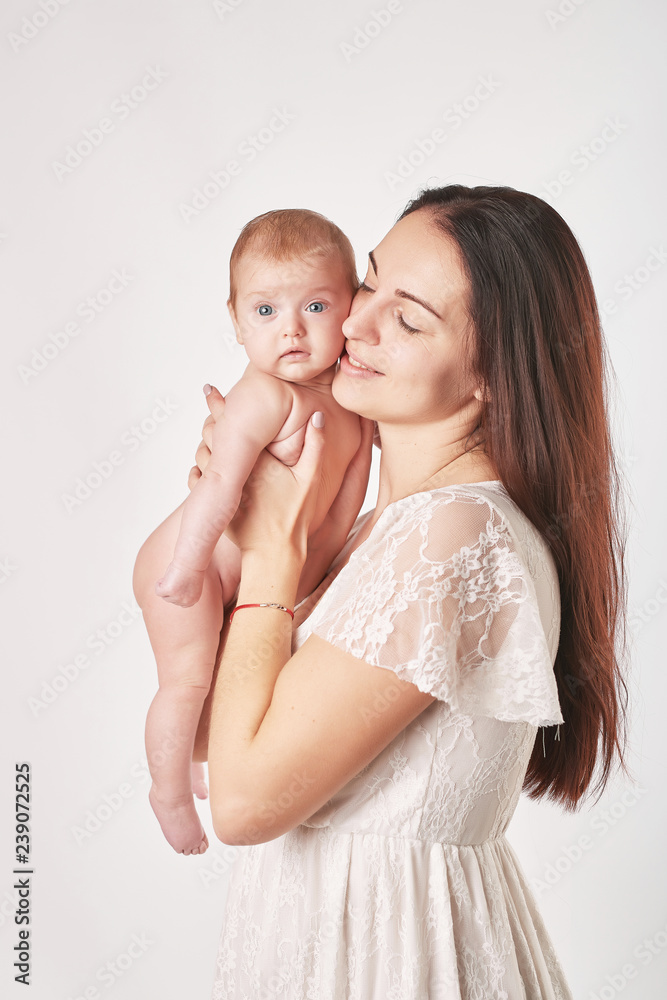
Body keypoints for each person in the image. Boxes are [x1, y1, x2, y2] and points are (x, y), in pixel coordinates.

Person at [177, 185, 631, 998]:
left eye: (409, 318)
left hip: (392, 964)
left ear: (493, 373)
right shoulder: (387, 531)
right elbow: (220, 736)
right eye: (369, 281)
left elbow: (242, 805)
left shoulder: (454, 538)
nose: (351, 324)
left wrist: (273, 559)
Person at [133, 209, 362, 857]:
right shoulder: (264, 395)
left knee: (216, 683)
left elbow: (334, 510)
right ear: (235, 321)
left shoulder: (350, 399)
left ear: (350, 308)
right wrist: (186, 565)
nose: (290, 328)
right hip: (187, 565)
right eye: (265, 312)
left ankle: (200, 761)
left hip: (247, 573)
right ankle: (169, 789)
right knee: (185, 680)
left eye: (315, 305)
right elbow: (219, 485)